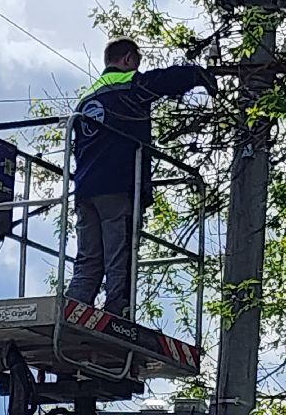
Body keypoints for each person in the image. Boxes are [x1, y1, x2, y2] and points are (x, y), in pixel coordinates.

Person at [65, 38, 217, 318]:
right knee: (118, 255)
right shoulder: (130, 86)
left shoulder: (87, 99)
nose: (138, 67)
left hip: (85, 190)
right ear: (127, 59)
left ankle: (72, 312)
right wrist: (199, 75)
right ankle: (116, 314)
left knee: (88, 260)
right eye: (137, 61)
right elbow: (165, 81)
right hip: (119, 185)